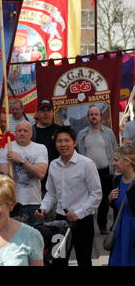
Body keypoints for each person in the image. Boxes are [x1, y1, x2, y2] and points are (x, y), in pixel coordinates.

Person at [35, 126, 102, 267]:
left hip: (82, 221)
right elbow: (51, 192)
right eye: (60, 141)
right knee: (59, 261)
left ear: (74, 143)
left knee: (84, 260)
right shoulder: (53, 165)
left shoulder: (87, 164)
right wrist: (43, 209)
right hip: (60, 221)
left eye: (67, 140)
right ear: (55, 143)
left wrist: (79, 213)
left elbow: (96, 194)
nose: (63, 144)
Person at [0, 120, 48, 225]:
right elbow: (3, 178)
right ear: (15, 133)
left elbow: (41, 174)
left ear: (31, 133)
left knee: (35, 234)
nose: (22, 133)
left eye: (25, 130)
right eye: (19, 130)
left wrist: (21, 160)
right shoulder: (6, 147)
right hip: (12, 203)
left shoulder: (40, 148)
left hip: (33, 202)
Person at [76, 105, 118, 234]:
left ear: (100, 116)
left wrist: (116, 169)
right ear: (88, 117)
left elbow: (116, 150)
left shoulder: (109, 132)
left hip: (106, 171)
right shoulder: (82, 134)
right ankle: (86, 227)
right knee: (88, 199)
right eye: (91, 114)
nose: (94, 116)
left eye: (96, 114)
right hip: (88, 172)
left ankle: (102, 226)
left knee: (105, 200)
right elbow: (78, 153)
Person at [108, 145, 135, 266]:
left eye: (116, 160)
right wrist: (110, 200)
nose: (113, 163)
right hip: (119, 228)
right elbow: (117, 206)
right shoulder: (116, 180)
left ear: (127, 162)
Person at [31, 99, 60, 197]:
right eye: (43, 110)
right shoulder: (30, 132)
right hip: (36, 184)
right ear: (37, 113)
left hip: (58, 183)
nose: (46, 113)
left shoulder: (60, 131)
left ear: (53, 112)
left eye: (48, 110)